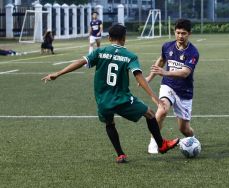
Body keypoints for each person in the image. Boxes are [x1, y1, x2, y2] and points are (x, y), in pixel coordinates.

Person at [41, 24, 179, 163]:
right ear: (124, 38)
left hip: (103, 100)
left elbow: (80, 62)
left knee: (109, 123)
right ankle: (161, 145)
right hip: (121, 98)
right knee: (149, 113)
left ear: (109, 38)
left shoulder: (100, 51)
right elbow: (138, 76)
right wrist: (153, 96)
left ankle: (120, 154)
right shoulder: (130, 56)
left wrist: (58, 73)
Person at [144, 19, 199, 154]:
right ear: (174, 32)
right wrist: (149, 78)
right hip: (168, 86)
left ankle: (193, 140)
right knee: (162, 110)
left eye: (184, 33)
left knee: (184, 130)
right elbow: (162, 60)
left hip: (184, 92)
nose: (180, 36)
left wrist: (165, 72)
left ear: (189, 34)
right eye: (178, 33)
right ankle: (154, 141)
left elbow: (185, 72)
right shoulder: (167, 46)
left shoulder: (193, 52)